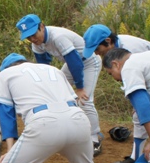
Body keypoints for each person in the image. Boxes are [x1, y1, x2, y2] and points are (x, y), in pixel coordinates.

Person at [16, 14, 104, 155]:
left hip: (88, 62)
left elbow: (76, 63)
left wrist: (79, 88)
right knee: (57, 95)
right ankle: (63, 131)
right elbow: (44, 67)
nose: (32, 39)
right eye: (28, 37)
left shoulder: (58, 37)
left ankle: (95, 139)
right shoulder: (36, 44)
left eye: (34, 34)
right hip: (71, 64)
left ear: (42, 26)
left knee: (85, 100)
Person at [82, 24, 150, 163]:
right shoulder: (118, 52)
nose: (99, 54)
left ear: (108, 41)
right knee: (139, 117)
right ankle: (136, 158)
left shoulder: (132, 51)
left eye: (98, 50)